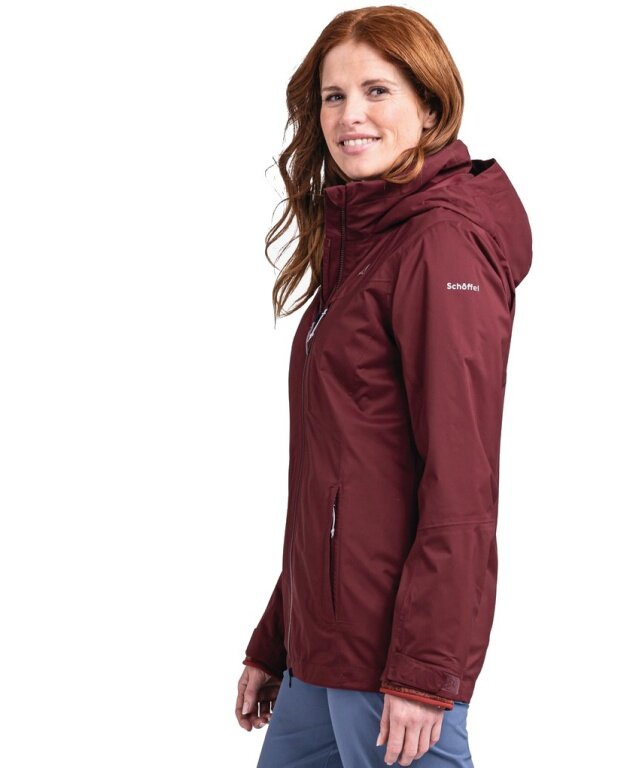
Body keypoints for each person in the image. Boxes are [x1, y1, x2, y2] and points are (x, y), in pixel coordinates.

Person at [234, 6, 532, 767]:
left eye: (377, 91)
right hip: (322, 649)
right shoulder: (365, 243)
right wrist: (279, 636)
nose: (350, 116)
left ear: (429, 107)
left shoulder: (440, 244)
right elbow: (338, 480)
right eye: (334, 96)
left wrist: (426, 673)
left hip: (390, 660)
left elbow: (462, 481)